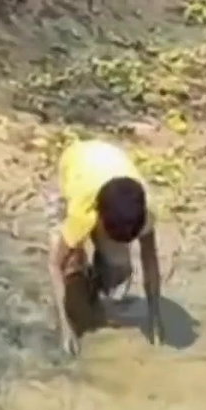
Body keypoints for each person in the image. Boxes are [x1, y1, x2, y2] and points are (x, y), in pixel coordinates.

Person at [45, 138, 167, 355]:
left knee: (119, 270)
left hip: (109, 164)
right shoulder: (82, 213)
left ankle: (93, 284)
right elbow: (53, 264)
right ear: (99, 219)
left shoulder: (146, 211)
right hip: (76, 165)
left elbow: (150, 261)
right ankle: (78, 283)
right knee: (68, 266)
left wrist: (155, 317)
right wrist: (66, 328)